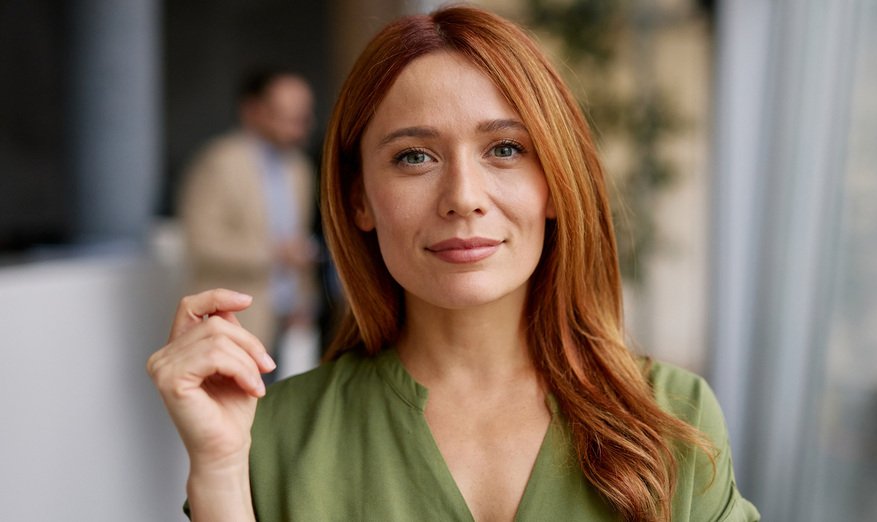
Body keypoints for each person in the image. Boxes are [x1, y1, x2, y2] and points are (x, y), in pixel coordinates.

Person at [148, 6, 759, 521]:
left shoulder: (673, 415)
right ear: (359, 198)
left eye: (506, 149)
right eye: (414, 156)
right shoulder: (273, 435)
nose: (464, 196)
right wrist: (223, 476)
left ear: (554, 184)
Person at [177, 68, 319, 374]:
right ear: (253, 110)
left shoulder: (298, 168)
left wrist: (303, 300)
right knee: (231, 413)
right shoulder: (218, 162)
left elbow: (297, 236)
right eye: (286, 114)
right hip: (233, 322)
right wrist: (275, 253)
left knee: (274, 411)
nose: (299, 125)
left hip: (281, 317)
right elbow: (201, 243)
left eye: (303, 115)